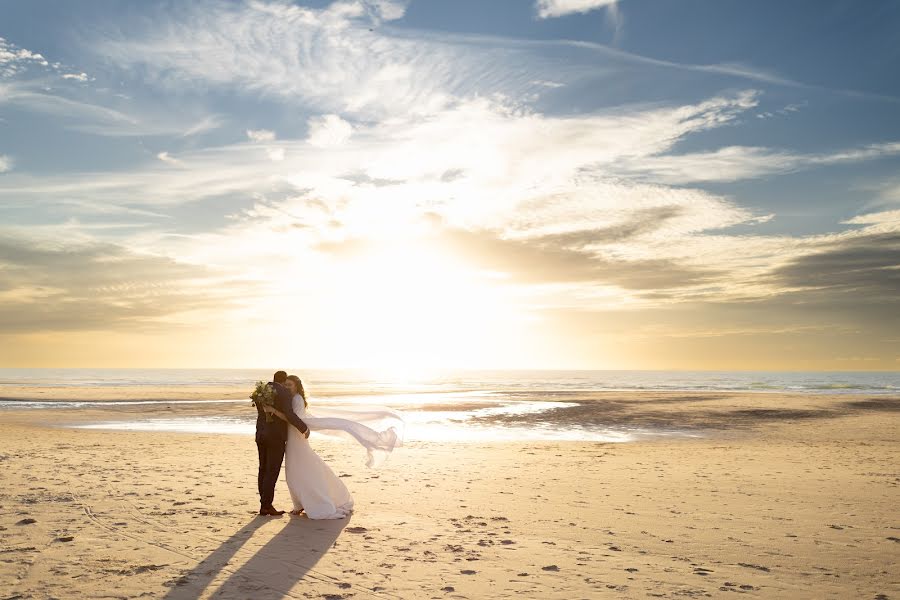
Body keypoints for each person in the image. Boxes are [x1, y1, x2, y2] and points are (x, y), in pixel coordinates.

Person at [265, 374, 404, 519]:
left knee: (298, 470)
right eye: (285, 384)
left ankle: (314, 502)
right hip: (293, 437)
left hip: (296, 437)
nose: (286, 387)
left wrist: (273, 411)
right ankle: (299, 504)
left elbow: (294, 419)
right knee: (294, 471)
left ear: (296, 386)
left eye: (290, 385)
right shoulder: (291, 398)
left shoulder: (297, 399)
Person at [255, 370, 309, 516]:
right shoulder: (283, 392)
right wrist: (303, 427)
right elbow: (290, 414)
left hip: (260, 434)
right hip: (275, 436)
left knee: (263, 469)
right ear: (283, 381)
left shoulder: (261, 390)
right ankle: (266, 506)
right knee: (272, 471)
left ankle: (263, 504)